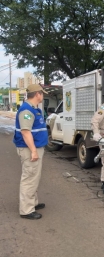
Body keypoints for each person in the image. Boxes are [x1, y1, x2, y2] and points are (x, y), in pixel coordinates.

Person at [13, 84, 49, 220]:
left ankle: (32, 203)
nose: (43, 96)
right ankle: (26, 210)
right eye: (42, 93)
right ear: (38, 94)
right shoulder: (27, 111)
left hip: (35, 148)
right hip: (29, 149)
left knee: (34, 177)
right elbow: (25, 132)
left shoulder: (33, 109)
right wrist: (33, 151)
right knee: (29, 178)